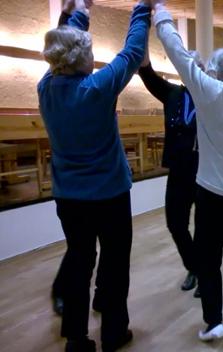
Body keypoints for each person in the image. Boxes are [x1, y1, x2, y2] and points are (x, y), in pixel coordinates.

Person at [150, 0, 223, 341]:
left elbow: (177, 53)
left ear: (214, 73)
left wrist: (160, 13)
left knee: (209, 259)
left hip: (213, 195)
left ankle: (214, 321)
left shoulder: (210, 92)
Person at [38, 0, 151, 350]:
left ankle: (76, 338)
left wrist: (80, 11)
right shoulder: (96, 88)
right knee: (115, 262)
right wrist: (142, 8)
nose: (93, 56)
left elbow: (65, 46)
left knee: (78, 261)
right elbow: (133, 51)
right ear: (80, 59)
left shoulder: (45, 87)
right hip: (110, 195)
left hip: (69, 198)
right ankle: (114, 332)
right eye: (89, 51)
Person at [50, 0, 103, 318]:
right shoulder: (82, 88)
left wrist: (71, 15)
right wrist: (75, 15)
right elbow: (61, 53)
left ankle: (86, 301)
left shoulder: (51, 83)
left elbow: (60, 53)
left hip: (84, 188)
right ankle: (64, 294)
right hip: (78, 188)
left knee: (83, 249)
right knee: (82, 250)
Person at [138, 41, 203, 298]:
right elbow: (148, 74)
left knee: (205, 225)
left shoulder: (213, 96)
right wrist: (141, 41)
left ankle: (205, 270)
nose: (194, 71)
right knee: (176, 223)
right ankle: (194, 266)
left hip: (206, 172)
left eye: (198, 67)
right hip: (179, 171)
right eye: (189, 67)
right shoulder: (173, 94)